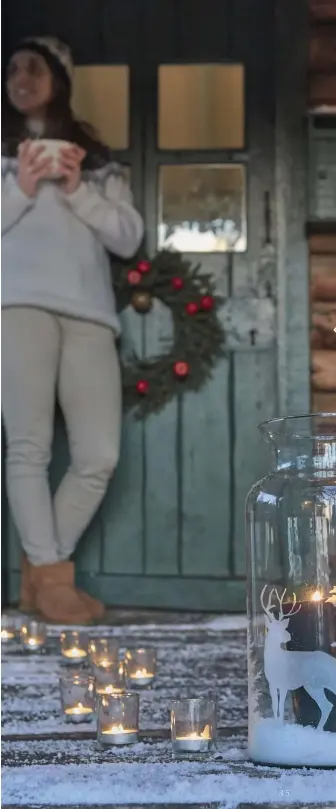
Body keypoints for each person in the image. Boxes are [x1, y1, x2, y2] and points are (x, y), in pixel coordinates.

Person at [2, 37, 144, 624]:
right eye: (11, 69)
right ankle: (55, 577)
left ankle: (42, 575)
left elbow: (128, 238)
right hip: (17, 306)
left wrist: (78, 187)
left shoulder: (99, 163)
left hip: (90, 313)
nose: (19, 77)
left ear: (60, 76)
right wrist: (23, 188)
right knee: (29, 448)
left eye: (33, 67)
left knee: (98, 454)